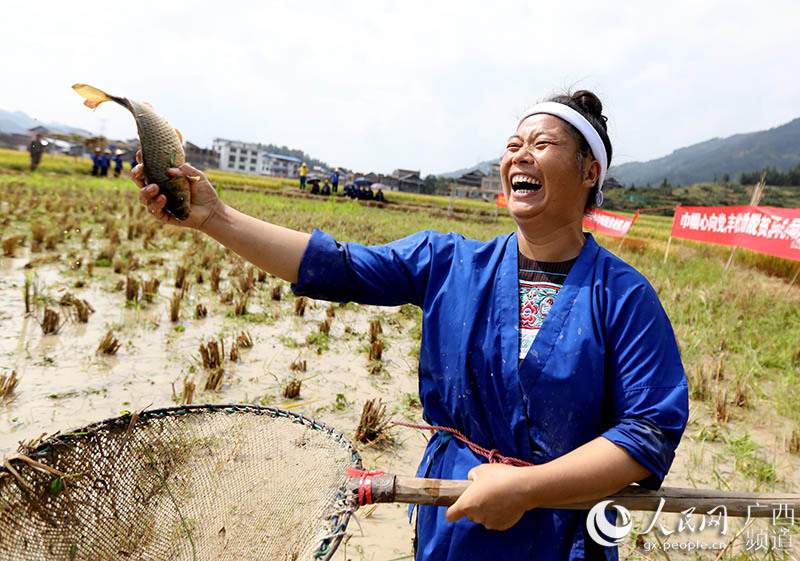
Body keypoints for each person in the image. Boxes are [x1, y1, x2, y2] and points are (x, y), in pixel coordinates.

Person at [134, 90, 689, 561]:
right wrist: (215, 217)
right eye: (513, 145)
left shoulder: (623, 296)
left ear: (589, 172)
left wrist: (527, 487)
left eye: (542, 145)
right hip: (454, 515)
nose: (520, 155)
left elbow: (647, 434)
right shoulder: (448, 263)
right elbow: (336, 266)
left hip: (558, 528)